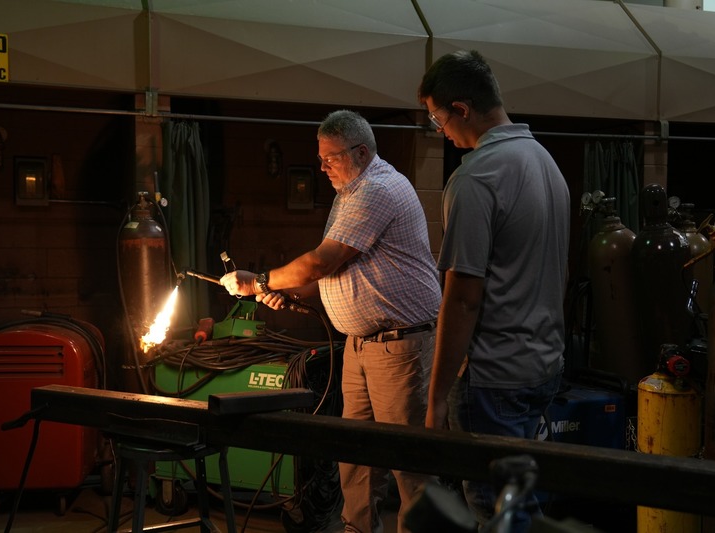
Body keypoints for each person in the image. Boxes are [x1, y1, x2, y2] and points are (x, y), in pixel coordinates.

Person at [221, 109, 442, 533]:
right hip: (362, 346)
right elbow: (337, 272)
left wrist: (258, 282)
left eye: (330, 158)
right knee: (354, 457)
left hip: (398, 348)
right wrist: (286, 292)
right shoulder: (349, 191)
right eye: (320, 158)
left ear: (360, 152)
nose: (322, 167)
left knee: (408, 461)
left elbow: (322, 262)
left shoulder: (375, 189)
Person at [417, 50, 570, 530]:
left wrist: (437, 395)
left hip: (494, 378)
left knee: (496, 513)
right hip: (543, 366)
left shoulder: (477, 178)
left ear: (461, 109)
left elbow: (463, 298)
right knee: (524, 504)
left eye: (438, 118)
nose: (440, 130)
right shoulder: (546, 163)